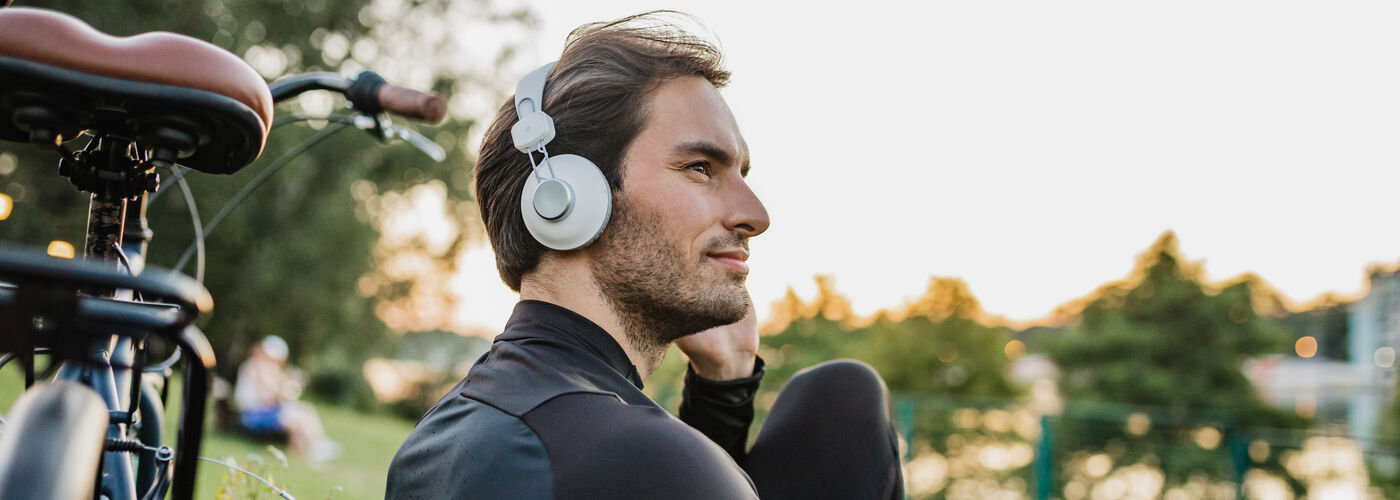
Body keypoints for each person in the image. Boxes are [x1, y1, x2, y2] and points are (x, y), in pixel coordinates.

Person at [386, 11, 902, 499]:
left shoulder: (447, 434)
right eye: (701, 167)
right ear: (567, 197)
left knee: (840, 398)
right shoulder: (649, 459)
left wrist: (726, 385)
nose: (756, 215)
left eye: (741, 175)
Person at [234, 335, 340, 464]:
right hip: (252, 415)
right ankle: (312, 451)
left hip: (263, 411)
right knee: (297, 419)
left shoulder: (263, 367)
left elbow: (276, 395)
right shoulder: (255, 367)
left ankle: (316, 446)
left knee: (305, 410)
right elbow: (269, 397)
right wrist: (287, 388)